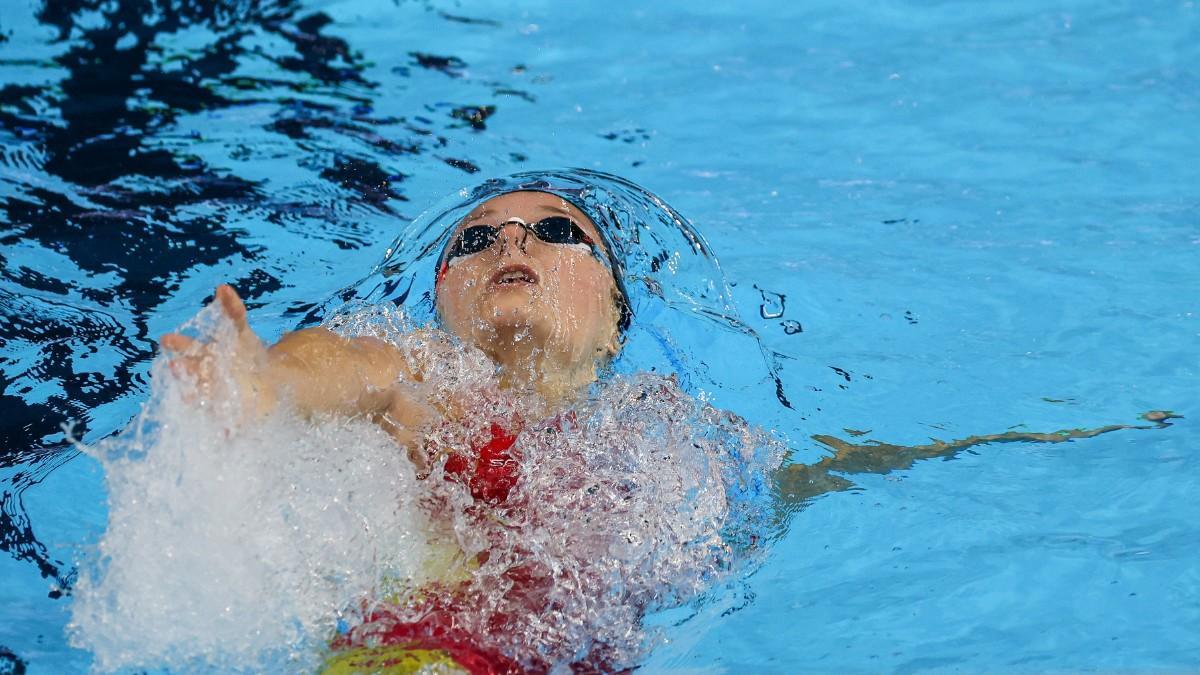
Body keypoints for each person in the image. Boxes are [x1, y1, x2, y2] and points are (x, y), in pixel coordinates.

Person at [160, 185, 1178, 673]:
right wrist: (257, 380)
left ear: (613, 318)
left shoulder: (677, 441)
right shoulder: (428, 391)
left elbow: (841, 474)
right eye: (476, 241)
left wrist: (1060, 441)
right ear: (444, 300)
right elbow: (341, 371)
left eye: (556, 233)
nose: (511, 241)